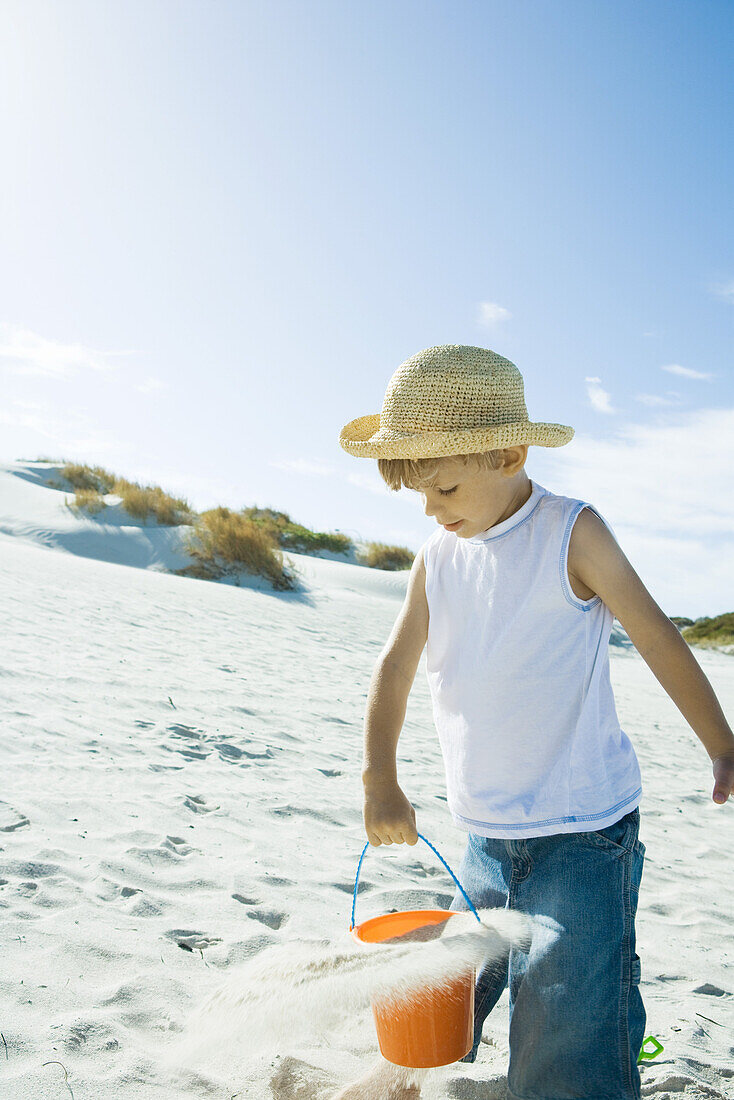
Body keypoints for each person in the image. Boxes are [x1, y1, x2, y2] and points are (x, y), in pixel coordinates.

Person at [331, 345, 734, 1100]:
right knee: (454, 982)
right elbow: (395, 667)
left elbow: (655, 634)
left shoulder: (571, 532)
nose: (431, 509)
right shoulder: (437, 558)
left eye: (444, 486)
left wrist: (723, 744)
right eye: (418, 494)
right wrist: (379, 776)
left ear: (510, 452)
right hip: (483, 834)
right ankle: (406, 1074)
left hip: (582, 836)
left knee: (567, 1017)